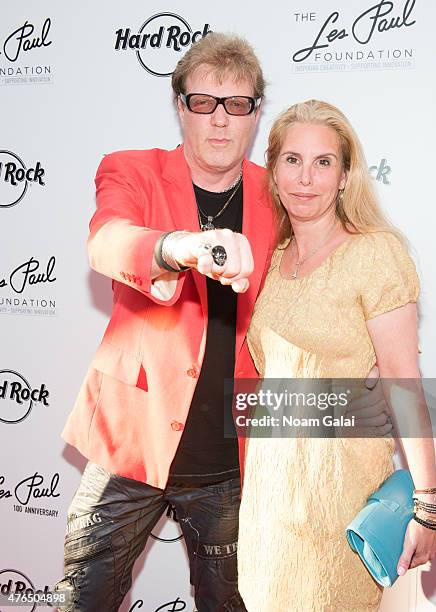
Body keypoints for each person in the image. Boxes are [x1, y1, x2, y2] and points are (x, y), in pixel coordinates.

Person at [55, 35, 389, 611]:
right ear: (179, 105)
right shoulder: (131, 171)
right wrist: (179, 246)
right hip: (128, 447)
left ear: (256, 114)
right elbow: (108, 241)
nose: (219, 119)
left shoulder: (279, 195)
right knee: (81, 601)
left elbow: (330, 272)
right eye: (203, 101)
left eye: (236, 105)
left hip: (232, 464)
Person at [237, 100, 436, 612]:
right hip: (268, 502)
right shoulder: (274, 258)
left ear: (346, 175)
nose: (306, 178)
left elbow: (402, 382)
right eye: (292, 160)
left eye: (324, 162)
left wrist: (429, 506)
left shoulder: (375, 253)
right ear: (274, 170)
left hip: (339, 501)